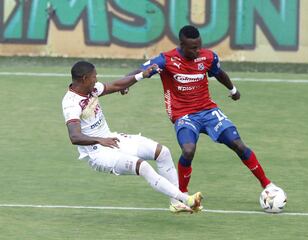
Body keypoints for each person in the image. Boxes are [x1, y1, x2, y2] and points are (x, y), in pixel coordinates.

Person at [132, 25, 280, 195]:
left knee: (238, 144)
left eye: (199, 46)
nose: (197, 51)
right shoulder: (166, 60)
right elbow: (141, 69)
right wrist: (127, 83)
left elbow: (219, 73)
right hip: (184, 115)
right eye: (193, 48)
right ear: (182, 44)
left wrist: (233, 90)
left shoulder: (208, 57)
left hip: (208, 111)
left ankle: (267, 184)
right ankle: (182, 194)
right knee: (188, 150)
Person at [61, 60, 203, 213]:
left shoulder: (92, 89)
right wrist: (100, 140)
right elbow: (74, 136)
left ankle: (176, 203)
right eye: (94, 76)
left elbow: (116, 85)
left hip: (111, 139)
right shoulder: (71, 103)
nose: (96, 79)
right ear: (84, 78)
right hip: (97, 153)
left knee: (163, 152)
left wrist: (142, 75)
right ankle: (186, 199)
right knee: (142, 166)